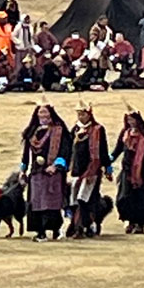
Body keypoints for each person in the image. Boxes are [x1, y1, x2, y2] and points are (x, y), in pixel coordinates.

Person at [21, 103, 70, 241]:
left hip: (53, 172)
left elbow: (65, 150)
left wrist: (56, 166)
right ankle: (40, 232)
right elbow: (26, 154)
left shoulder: (59, 131)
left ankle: (55, 229)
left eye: (46, 113)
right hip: (36, 172)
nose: (43, 116)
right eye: (40, 113)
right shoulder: (32, 132)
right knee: (37, 203)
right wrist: (23, 170)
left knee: (52, 202)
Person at [109, 111, 144, 233]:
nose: (131, 122)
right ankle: (129, 220)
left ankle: (139, 224)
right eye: (129, 120)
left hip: (143, 172)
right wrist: (107, 161)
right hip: (127, 171)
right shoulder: (125, 134)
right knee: (124, 198)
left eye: (133, 120)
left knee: (141, 199)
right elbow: (118, 150)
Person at [68, 104, 110, 237]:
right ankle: (76, 225)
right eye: (79, 114)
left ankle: (86, 226)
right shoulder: (75, 129)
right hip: (76, 170)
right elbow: (68, 149)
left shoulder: (98, 129)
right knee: (74, 200)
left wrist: (107, 167)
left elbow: (103, 150)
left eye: (83, 114)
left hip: (92, 170)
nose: (81, 117)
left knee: (86, 199)